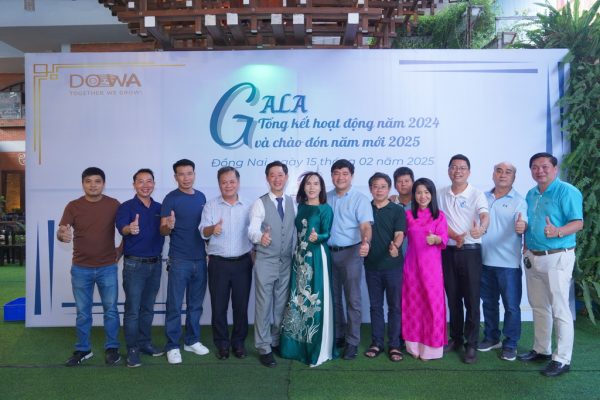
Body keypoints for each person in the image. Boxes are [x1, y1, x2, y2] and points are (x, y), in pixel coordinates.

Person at [518, 152, 583, 377]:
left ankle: (562, 359)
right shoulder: (531, 193)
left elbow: (578, 222)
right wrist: (526, 243)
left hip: (557, 256)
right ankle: (541, 349)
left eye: (545, 166)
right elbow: (530, 222)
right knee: (538, 305)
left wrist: (558, 231)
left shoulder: (567, 191)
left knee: (559, 308)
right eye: (535, 167)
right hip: (533, 256)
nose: (540, 171)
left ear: (555, 169)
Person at [57, 167, 121, 367]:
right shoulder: (73, 206)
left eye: (97, 181)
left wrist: (119, 252)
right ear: (83, 183)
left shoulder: (114, 204)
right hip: (81, 268)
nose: (93, 185)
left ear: (104, 184)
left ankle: (112, 348)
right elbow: (62, 231)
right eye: (88, 181)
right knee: (83, 312)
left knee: (111, 310)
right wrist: (62, 235)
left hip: (107, 268)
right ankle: (83, 349)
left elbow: (127, 230)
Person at [280, 172, 336, 367]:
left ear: (321, 187)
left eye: (316, 184)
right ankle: (295, 347)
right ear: (303, 187)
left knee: (316, 298)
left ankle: (317, 349)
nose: (312, 187)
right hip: (300, 257)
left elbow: (327, 233)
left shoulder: (325, 208)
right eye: (308, 184)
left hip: (317, 257)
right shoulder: (301, 207)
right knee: (298, 299)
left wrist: (317, 237)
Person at [438, 154, 489, 364]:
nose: (457, 171)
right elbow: (437, 218)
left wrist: (482, 228)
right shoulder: (440, 193)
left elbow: (484, 215)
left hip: (470, 252)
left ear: (469, 171)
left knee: (472, 300)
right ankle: (456, 338)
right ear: (448, 170)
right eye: (453, 167)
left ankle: (472, 343)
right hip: (448, 252)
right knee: (453, 298)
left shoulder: (477, 194)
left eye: (462, 168)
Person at [200, 167, 253, 361]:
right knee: (218, 306)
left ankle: (238, 343)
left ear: (238, 183)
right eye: (224, 182)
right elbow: (202, 231)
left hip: (242, 263)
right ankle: (222, 344)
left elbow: (255, 231)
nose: (228, 185)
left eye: (232, 181)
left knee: (241, 306)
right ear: (219, 184)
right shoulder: (211, 205)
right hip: (218, 264)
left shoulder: (249, 205)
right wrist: (212, 228)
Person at [160, 159, 209, 364]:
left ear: (194, 174)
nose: (186, 178)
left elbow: (205, 228)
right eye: (181, 174)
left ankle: (191, 340)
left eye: (189, 173)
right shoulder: (170, 199)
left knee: (195, 306)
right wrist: (169, 225)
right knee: (174, 306)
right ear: (175, 177)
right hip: (179, 260)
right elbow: (163, 230)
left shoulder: (201, 197)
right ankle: (172, 345)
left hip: (200, 259)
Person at [248, 161, 295, 368]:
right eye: (272, 175)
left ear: (286, 177)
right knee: (263, 305)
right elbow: (252, 230)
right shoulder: (260, 203)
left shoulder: (292, 202)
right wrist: (261, 237)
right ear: (267, 178)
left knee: (280, 305)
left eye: (280, 175)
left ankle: (275, 340)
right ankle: (263, 347)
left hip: (286, 262)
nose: (277, 179)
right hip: (265, 261)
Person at [116, 168, 165, 367]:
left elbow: (165, 230)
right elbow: (122, 228)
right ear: (134, 185)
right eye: (140, 181)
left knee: (147, 309)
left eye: (149, 181)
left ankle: (145, 343)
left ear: (154, 184)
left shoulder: (160, 208)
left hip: (156, 264)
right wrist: (130, 228)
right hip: (134, 265)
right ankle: (132, 348)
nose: (145, 185)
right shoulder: (126, 207)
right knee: (132, 310)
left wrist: (169, 224)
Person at [479, 162, 527, 362]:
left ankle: (510, 344)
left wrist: (522, 226)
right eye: (499, 171)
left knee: (511, 307)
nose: (503, 175)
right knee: (489, 303)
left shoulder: (519, 201)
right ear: (493, 175)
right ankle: (491, 338)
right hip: (483, 261)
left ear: (514, 177)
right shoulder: (482, 197)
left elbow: (523, 223)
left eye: (508, 172)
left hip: (508, 264)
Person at [327, 159, 373, 360]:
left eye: (345, 173)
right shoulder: (325, 197)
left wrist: (366, 242)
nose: (340, 177)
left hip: (352, 252)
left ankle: (352, 341)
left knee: (352, 299)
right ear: (332, 176)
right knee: (333, 298)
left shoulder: (360, 199)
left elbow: (365, 226)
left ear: (351, 176)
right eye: (336, 173)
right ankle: (338, 335)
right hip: (328, 252)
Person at [402, 177, 448, 360]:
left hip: (432, 270)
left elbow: (444, 238)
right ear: (414, 195)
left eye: (426, 192)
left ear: (432, 195)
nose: (423, 196)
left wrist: (436, 239)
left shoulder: (439, 216)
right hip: (412, 268)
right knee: (413, 305)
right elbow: (399, 234)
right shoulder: (407, 215)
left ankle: (431, 349)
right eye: (419, 192)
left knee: (432, 306)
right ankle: (413, 347)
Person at [363, 172, 406, 362]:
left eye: (383, 187)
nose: (379, 190)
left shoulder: (397, 210)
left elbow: (400, 233)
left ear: (389, 189)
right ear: (370, 189)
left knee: (395, 306)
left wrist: (395, 246)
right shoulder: (365, 208)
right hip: (371, 266)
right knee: (375, 306)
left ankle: (395, 345)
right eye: (375, 186)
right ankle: (377, 343)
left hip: (393, 266)